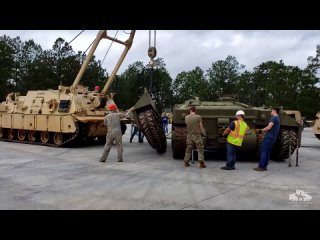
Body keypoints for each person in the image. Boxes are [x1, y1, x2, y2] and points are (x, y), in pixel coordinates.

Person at [254, 107, 280, 171]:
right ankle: (265, 166)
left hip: (269, 137)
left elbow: (269, 127)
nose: (271, 112)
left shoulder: (273, 118)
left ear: (274, 111)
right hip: (273, 138)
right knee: (267, 152)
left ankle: (261, 166)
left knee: (264, 151)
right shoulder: (278, 118)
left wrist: (261, 130)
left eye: (271, 111)